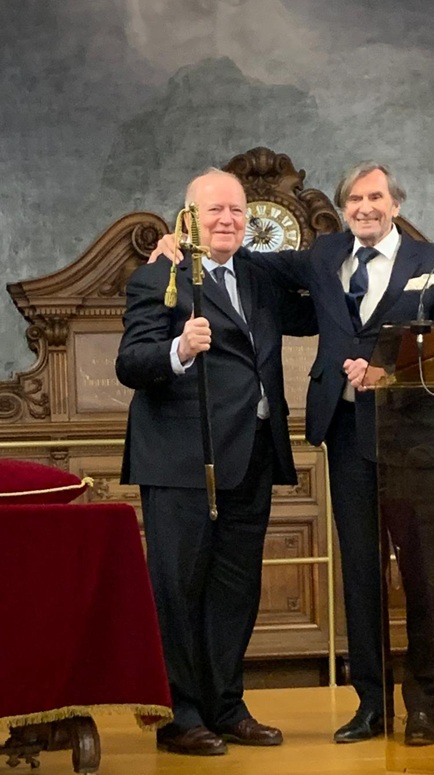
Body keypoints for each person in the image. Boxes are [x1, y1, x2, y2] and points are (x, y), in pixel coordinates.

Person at [151, 161, 434, 746]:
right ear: (344, 209)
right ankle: (371, 705)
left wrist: (389, 375)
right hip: (346, 436)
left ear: (395, 204)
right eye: (354, 199)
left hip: (413, 444)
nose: (364, 207)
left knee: (424, 579)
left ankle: (423, 705)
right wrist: (180, 242)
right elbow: (239, 260)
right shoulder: (324, 255)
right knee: (361, 579)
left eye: (375, 197)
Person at [115, 168, 316, 756]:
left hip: (252, 454)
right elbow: (132, 362)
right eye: (214, 211)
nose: (227, 219)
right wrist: (178, 350)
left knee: (236, 589)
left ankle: (227, 707)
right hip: (181, 461)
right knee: (178, 590)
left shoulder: (259, 278)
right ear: (189, 218)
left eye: (236, 210)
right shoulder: (161, 275)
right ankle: (179, 716)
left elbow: (321, 292)